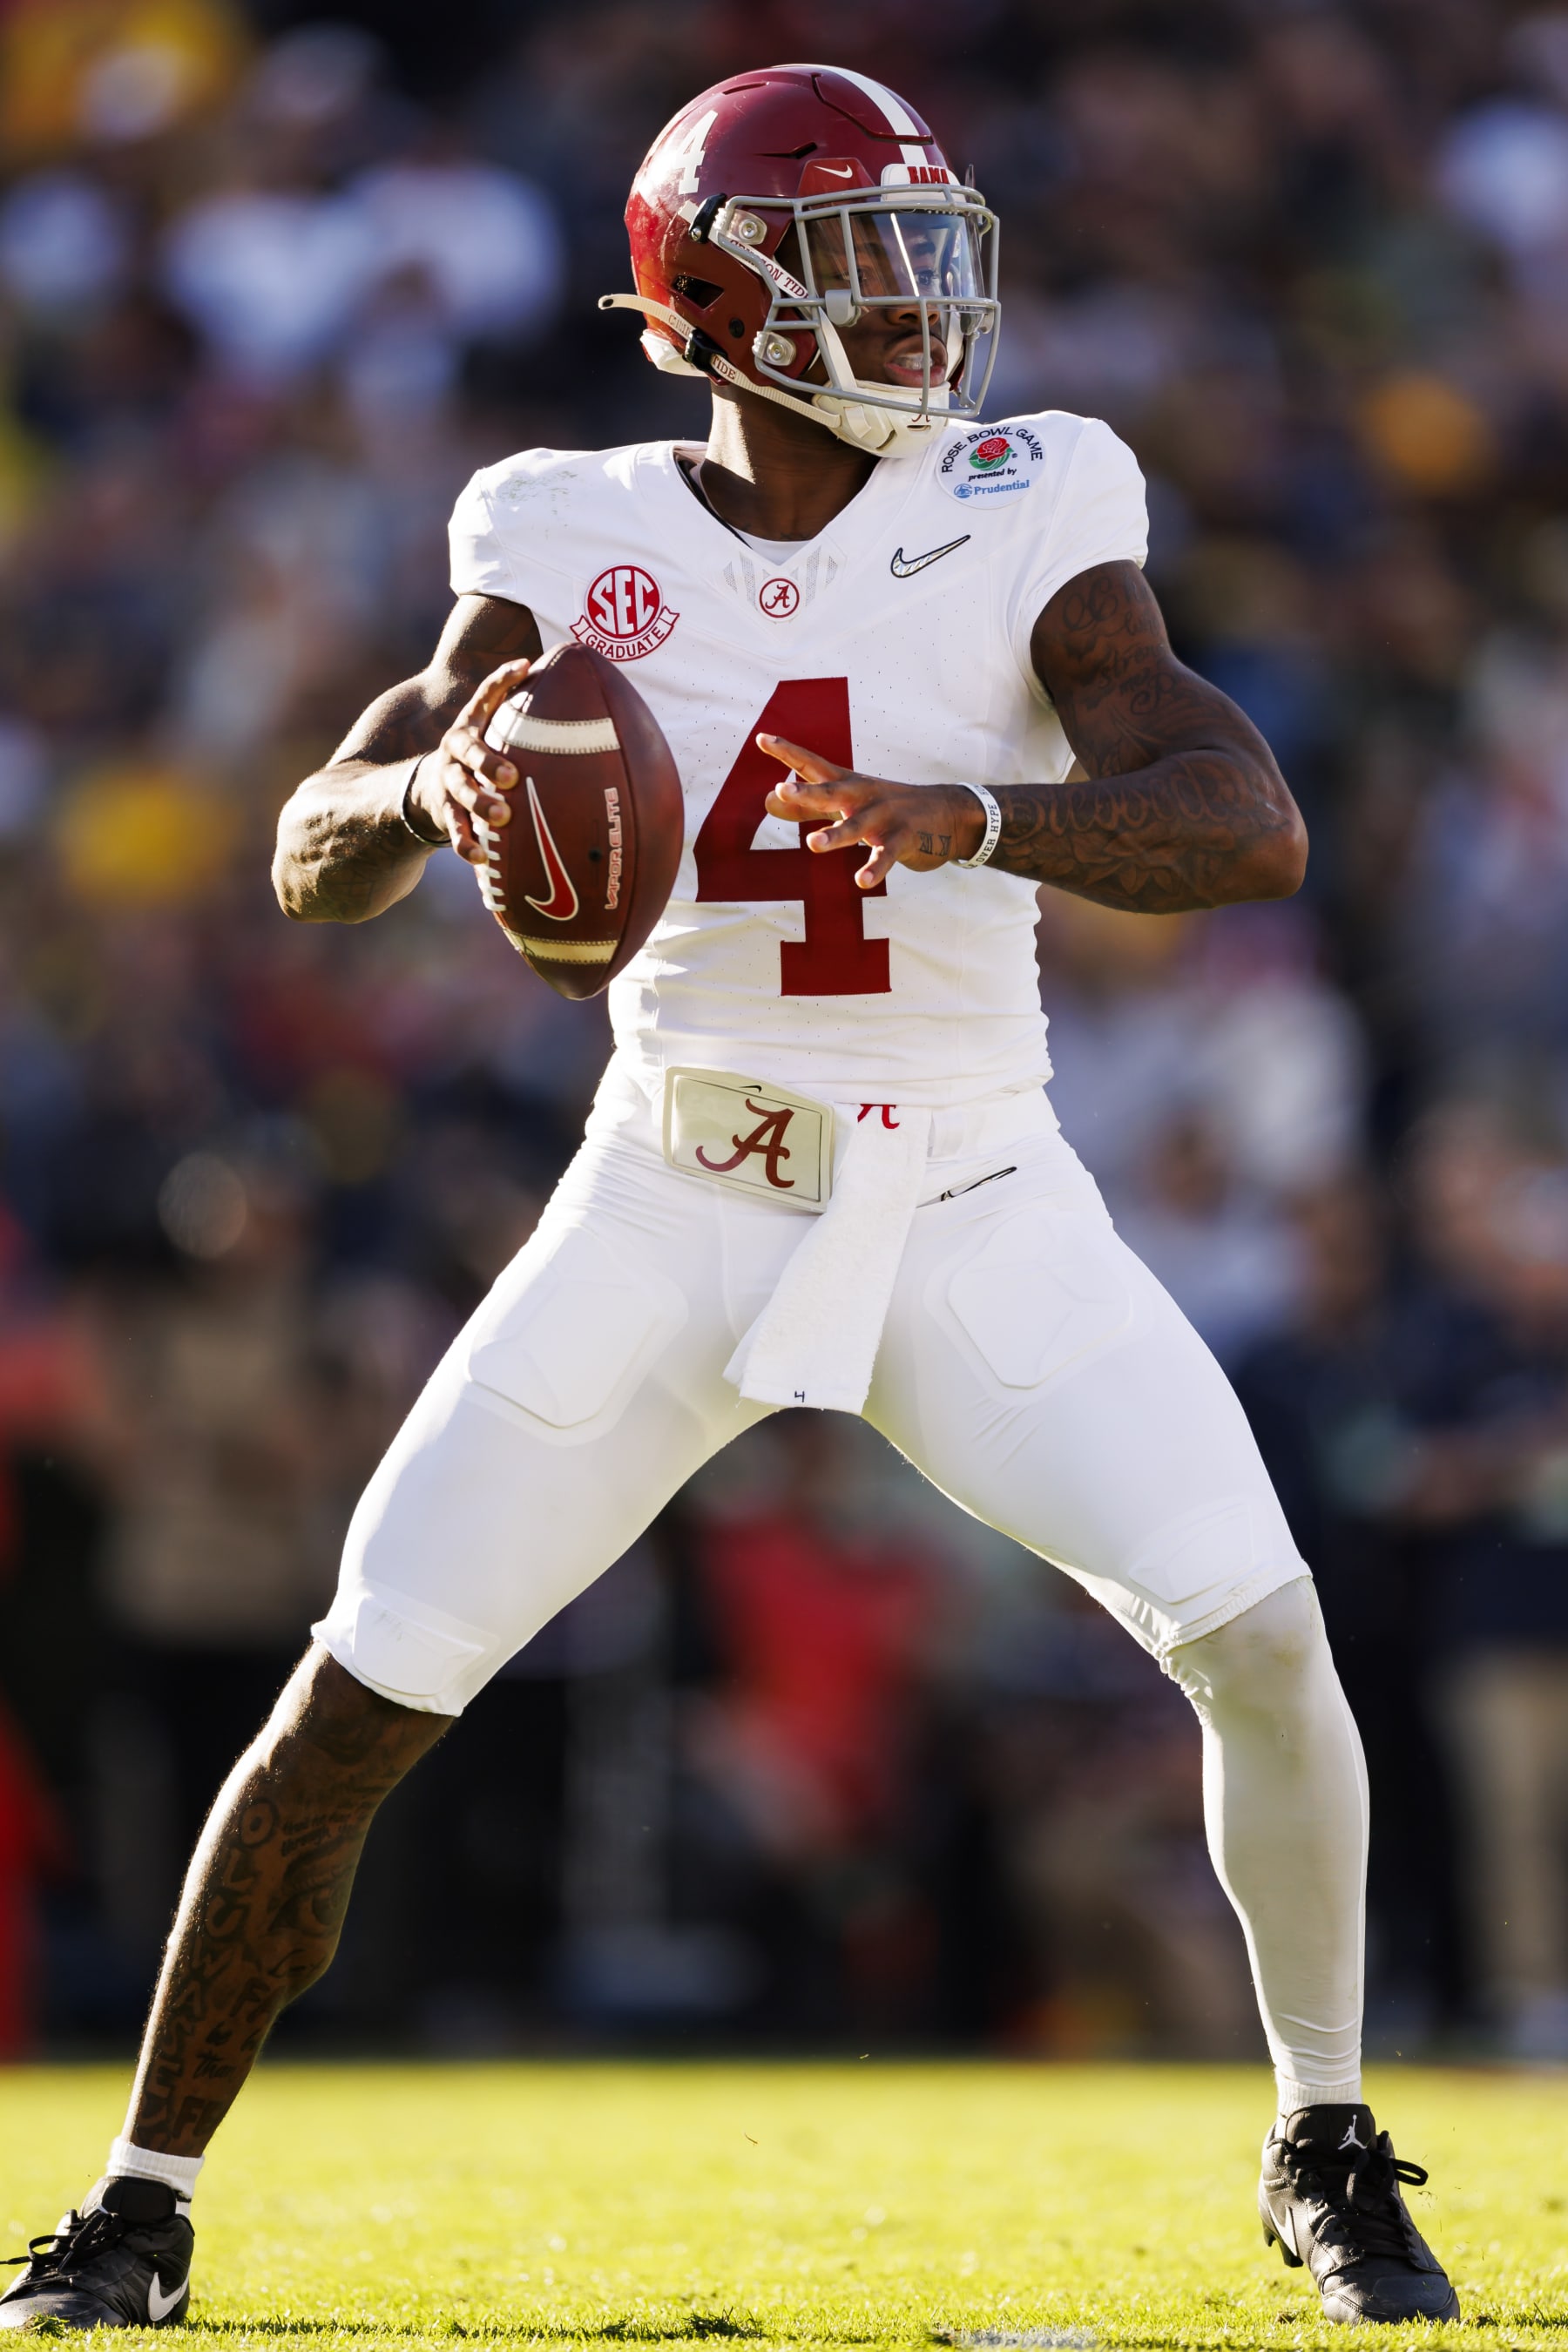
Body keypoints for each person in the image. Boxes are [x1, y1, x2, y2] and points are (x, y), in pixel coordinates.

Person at [1, 63, 1456, 2334]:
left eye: (922, 250)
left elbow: (1238, 816)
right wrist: (435, 773)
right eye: (853, 260)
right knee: (361, 1689)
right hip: (675, 1193)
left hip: (975, 1194)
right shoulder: (561, 525)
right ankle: (139, 2198)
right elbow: (311, 851)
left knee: (1262, 1633)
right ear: (705, 296)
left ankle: (1326, 2128)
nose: (915, 304)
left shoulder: (1029, 490)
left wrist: (979, 821)